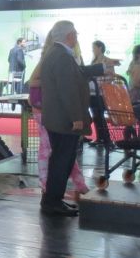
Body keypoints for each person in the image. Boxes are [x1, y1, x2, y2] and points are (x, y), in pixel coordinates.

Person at [39, 20, 101, 217]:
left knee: (61, 160)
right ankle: (52, 202)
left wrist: (100, 68)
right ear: (69, 36)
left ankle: (52, 200)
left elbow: (76, 76)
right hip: (64, 120)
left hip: (58, 118)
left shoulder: (57, 53)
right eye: (75, 33)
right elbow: (67, 89)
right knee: (62, 161)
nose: (77, 36)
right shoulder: (62, 56)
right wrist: (76, 117)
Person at [28, 31, 89, 199]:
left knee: (63, 152)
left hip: (53, 110)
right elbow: (33, 81)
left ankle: (68, 186)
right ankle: (50, 187)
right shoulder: (54, 57)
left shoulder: (61, 56)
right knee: (55, 151)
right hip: (48, 110)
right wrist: (53, 81)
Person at [87, 40, 119, 148]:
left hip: (101, 93)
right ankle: (99, 137)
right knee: (96, 115)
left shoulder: (107, 61)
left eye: (94, 47)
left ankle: (107, 139)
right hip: (92, 92)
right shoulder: (94, 61)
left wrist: (101, 84)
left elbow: (111, 76)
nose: (92, 50)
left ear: (100, 47)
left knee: (100, 116)